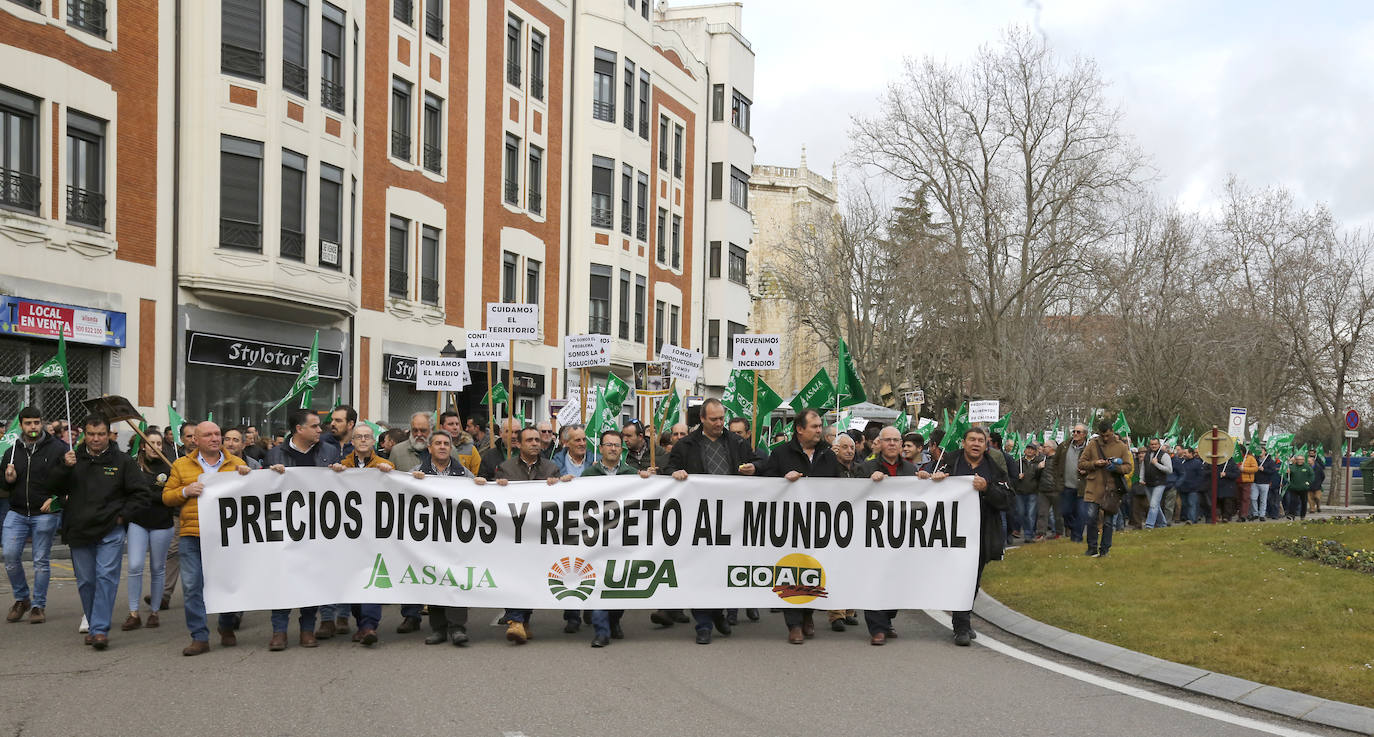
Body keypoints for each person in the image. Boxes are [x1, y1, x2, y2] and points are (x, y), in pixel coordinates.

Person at [664, 398, 758, 644]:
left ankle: (717, 612)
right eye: (714, 419)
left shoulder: (737, 442)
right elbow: (669, 469)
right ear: (702, 419)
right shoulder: (685, 445)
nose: (719, 423)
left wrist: (753, 469)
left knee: (722, 570)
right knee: (700, 571)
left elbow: (761, 462)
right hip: (698, 519)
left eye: (721, 418)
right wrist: (675, 472)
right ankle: (703, 624)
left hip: (731, 518)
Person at [56, 415, 149, 649]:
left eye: (100, 434)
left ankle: (99, 629)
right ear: (84, 434)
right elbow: (52, 487)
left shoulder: (123, 461)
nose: (95, 439)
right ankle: (94, 620)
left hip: (110, 530)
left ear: (108, 434)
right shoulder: (71, 458)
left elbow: (141, 494)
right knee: (86, 581)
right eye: (90, 434)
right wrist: (63, 468)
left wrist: (122, 516)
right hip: (78, 529)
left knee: (106, 577)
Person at [162, 422, 252, 655]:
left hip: (227, 537)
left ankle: (226, 624)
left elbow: (250, 498)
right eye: (208, 435)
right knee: (192, 586)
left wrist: (247, 478)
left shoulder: (237, 464)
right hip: (193, 535)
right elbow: (167, 497)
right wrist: (185, 491)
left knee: (229, 583)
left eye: (217, 434)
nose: (215, 438)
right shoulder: (181, 466)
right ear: (196, 440)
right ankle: (199, 637)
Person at [922, 426, 1012, 646]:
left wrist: (987, 488)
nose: (976, 444)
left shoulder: (994, 468)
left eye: (980, 440)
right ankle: (961, 624)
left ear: (986, 444)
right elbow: (924, 486)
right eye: (971, 439)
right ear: (963, 442)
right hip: (948, 532)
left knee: (973, 579)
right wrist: (929, 479)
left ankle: (962, 618)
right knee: (958, 576)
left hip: (980, 533)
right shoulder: (948, 462)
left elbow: (1008, 500)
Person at [263, 408, 343, 649]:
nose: (321, 430)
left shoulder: (329, 451)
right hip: (286, 528)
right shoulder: (276, 454)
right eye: (315, 426)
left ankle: (307, 629)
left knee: (311, 578)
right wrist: (269, 475)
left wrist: (339, 473)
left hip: (317, 527)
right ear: (299, 429)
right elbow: (264, 492)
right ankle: (279, 631)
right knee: (283, 578)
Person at [759, 409, 838, 644]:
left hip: (818, 524)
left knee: (814, 568)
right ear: (799, 429)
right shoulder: (781, 453)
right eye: (814, 426)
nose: (819, 430)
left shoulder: (828, 455)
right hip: (789, 524)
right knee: (791, 569)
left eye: (819, 426)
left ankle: (808, 615)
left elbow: (839, 487)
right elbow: (766, 484)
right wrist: (783, 480)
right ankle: (793, 624)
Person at [410, 429, 484, 646]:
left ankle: (457, 627)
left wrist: (481, 486)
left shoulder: (464, 474)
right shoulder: (416, 472)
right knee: (434, 578)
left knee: (456, 579)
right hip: (429, 536)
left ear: (451, 447)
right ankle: (438, 628)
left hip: (456, 536)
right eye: (438, 443)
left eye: (446, 443)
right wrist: (413, 482)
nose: (442, 446)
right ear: (429, 448)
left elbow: (478, 498)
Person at [495, 426, 566, 644]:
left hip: (540, 534)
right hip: (513, 534)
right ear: (519, 444)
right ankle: (516, 620)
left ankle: (523, 619)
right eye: (530, 440)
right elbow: (492, 498)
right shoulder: (505, 468)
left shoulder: (551, 468)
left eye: (537, 439)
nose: (535, 443)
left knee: (532, 576)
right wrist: (496, 486)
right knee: (515, 574)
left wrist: (560, 484)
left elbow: (562, 498)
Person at [3, 406, 74, 624]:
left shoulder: (58, 449)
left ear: (42, 422)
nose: (33, 427)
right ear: (21, 425)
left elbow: (70, 483)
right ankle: (22, 598)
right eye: (28, 423)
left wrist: (55, 500)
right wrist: (8, 478)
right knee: (10, 556)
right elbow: (3, 485)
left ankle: (38, 606)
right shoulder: (13, 450)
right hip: (16, 512)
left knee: (41, 561)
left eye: (36, 422)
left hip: (44, 514)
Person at [329, 422, 395, 645]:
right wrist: (335, 474)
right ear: (352, 442)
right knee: (355, 579)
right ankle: (361, 623)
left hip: (376, 533)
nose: (364, 440)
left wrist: (390, 474)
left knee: (372, 578)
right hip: (349, 534)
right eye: (359, 437)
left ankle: (368, 626)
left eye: (367, 436)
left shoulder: (385, 465)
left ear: (374, 441)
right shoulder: (342, 465)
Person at [581, 429, 643, 647]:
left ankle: (614, 620)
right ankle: (601, 630)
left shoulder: (631, 473)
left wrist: (648, 480)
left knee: (619, 584)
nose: (613, 448)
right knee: (599, 584)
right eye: (609, 444)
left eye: (617, 445)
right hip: (596, 539)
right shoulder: (589, 474)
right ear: (601, 448)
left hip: (622, 539)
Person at [860, 426, 918, 645]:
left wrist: (926, 481)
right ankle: (877, 628)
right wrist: (867, 481)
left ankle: (887, 619)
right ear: (880, 443)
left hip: (899, 536)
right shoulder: (865, 468)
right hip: (873, 535)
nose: (893, 444)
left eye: (896, 440)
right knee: (874, 579)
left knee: (895, 580)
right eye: (888, 440)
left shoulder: (911, 470)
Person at [125, 430, 175, 631]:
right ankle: (133, 612)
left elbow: (169, 495)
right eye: (151, 442)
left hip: (162, 523)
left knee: (157, 568)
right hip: (138, 522)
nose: (155, 446)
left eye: (159, 443)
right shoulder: (133, 465)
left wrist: (149, 495)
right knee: (135, 566)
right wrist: (152, 494)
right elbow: (130, 492)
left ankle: (154, 611)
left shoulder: (170, 466)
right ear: (143, 445)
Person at [1076, 420, 1133, 558]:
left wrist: (1116, 468)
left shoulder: (1121, 447)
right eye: (1103, 436)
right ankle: (1092, 547)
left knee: (1108, 522)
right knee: (1091, 519)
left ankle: (1105, 549)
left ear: (1112, 432)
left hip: (1112, 489)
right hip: (1093, 487)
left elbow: (1128, 467)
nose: (1105, 438)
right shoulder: (1093, 444)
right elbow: (1081, 463)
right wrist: (1095, 463)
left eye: (1107, 435)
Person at [1051, 424, 1088, 543]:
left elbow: (1095, 465)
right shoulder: (1064, 446)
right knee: (1065, 512)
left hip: (1083, 487)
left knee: (1081, 514)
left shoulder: (1089, 448)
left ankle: (1077, 538)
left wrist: (1087, 470)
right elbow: (1055, 463)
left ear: (1084, 434)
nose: (1075, 434)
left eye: (1078, 432)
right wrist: (1057, 478)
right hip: (1066, 486)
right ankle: (1074, 529)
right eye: (1074, 431)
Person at [1142, 438, 1173, 529]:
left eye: (1155, 444)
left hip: (1159, 483)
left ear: (1159, 445)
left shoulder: (1164, 455)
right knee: (1155, 505)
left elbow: (1169, 470)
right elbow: (1143, 467)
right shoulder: (1147, 455)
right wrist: (1141, 478)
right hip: (1148, 483)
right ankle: (1162, 524)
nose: (1153, 446)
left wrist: (1156, 464)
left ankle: (1149, 525)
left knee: (1153, 504)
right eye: (1152, 444)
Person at [1013, 443, 1041, 542]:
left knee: (1031, 514)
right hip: (1020, 492)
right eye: (1028, 449)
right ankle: (1028, 531)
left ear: (1035, 451)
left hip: (1033, 492)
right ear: (1024, 451)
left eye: (1032, 449)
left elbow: (1041, 477)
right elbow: (1012, 476)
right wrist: (1017, 476)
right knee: (1021, 513)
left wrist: (1039, 469)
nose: (1029, 451)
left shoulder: (1039, 463)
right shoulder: (1018, 462)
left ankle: (1029, 534)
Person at [1036, 439, 1060, 539]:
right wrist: (1038, 468)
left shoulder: (1059, 460)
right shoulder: (1042, 459)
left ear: (1051, 448)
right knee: (1042, 513)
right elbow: (1037, 476)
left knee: (1058, 514)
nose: (1042, 449)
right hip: (1043, 490)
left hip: (1056, 490)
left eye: (1045, 447)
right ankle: (1041, 533)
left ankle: (1058, 533)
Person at [1177, 447, 1207, 524]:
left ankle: (1192, 519)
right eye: (1183, 453)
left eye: (1185, 453)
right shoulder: (1182, 463)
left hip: (1193, 488)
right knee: (1184, 504)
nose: (1184, 455)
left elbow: (1201, 476)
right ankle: (1188, 518)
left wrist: (1196, 485)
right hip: (1183, 488)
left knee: (1192, 503)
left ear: (1191, 453)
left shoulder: (1197, 463)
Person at [1285, 453, 1313, 520]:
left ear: (1303, 460)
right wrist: (1287, 473)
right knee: (1293, 501)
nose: (1299, 461)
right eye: (1298, 459)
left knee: (1304, 502)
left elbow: (1312, 476)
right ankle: (1292, 514)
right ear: (1296, 460)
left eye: (1301, 459)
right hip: (1294, 487)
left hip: (1303, 488)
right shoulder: (1292, 467)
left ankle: (1302, 515)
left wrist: (1308, 483)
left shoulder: (1307, 467)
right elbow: (1287, 477)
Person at [1254, 447, 1278, 520]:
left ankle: (1262, 515)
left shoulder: (1270, 461)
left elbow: (1272, 471)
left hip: (1265, 482)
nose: (1260, 452)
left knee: (1263, 500)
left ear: (1265, 452)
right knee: (1253, 498)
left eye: (1261, 450)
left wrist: (1264, 470)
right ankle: (1255, 513)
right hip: (1255, 482)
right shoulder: (1255, 460)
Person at [1239, 447, 1258, 521]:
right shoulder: (1236, 458)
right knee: (1239, 499)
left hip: (1247, 481)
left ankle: (1243, 515)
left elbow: (1255, 468)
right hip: (1237, 481)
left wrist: (1244, 469)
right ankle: (1240, 514)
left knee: (1245, 498)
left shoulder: (1250, 458)